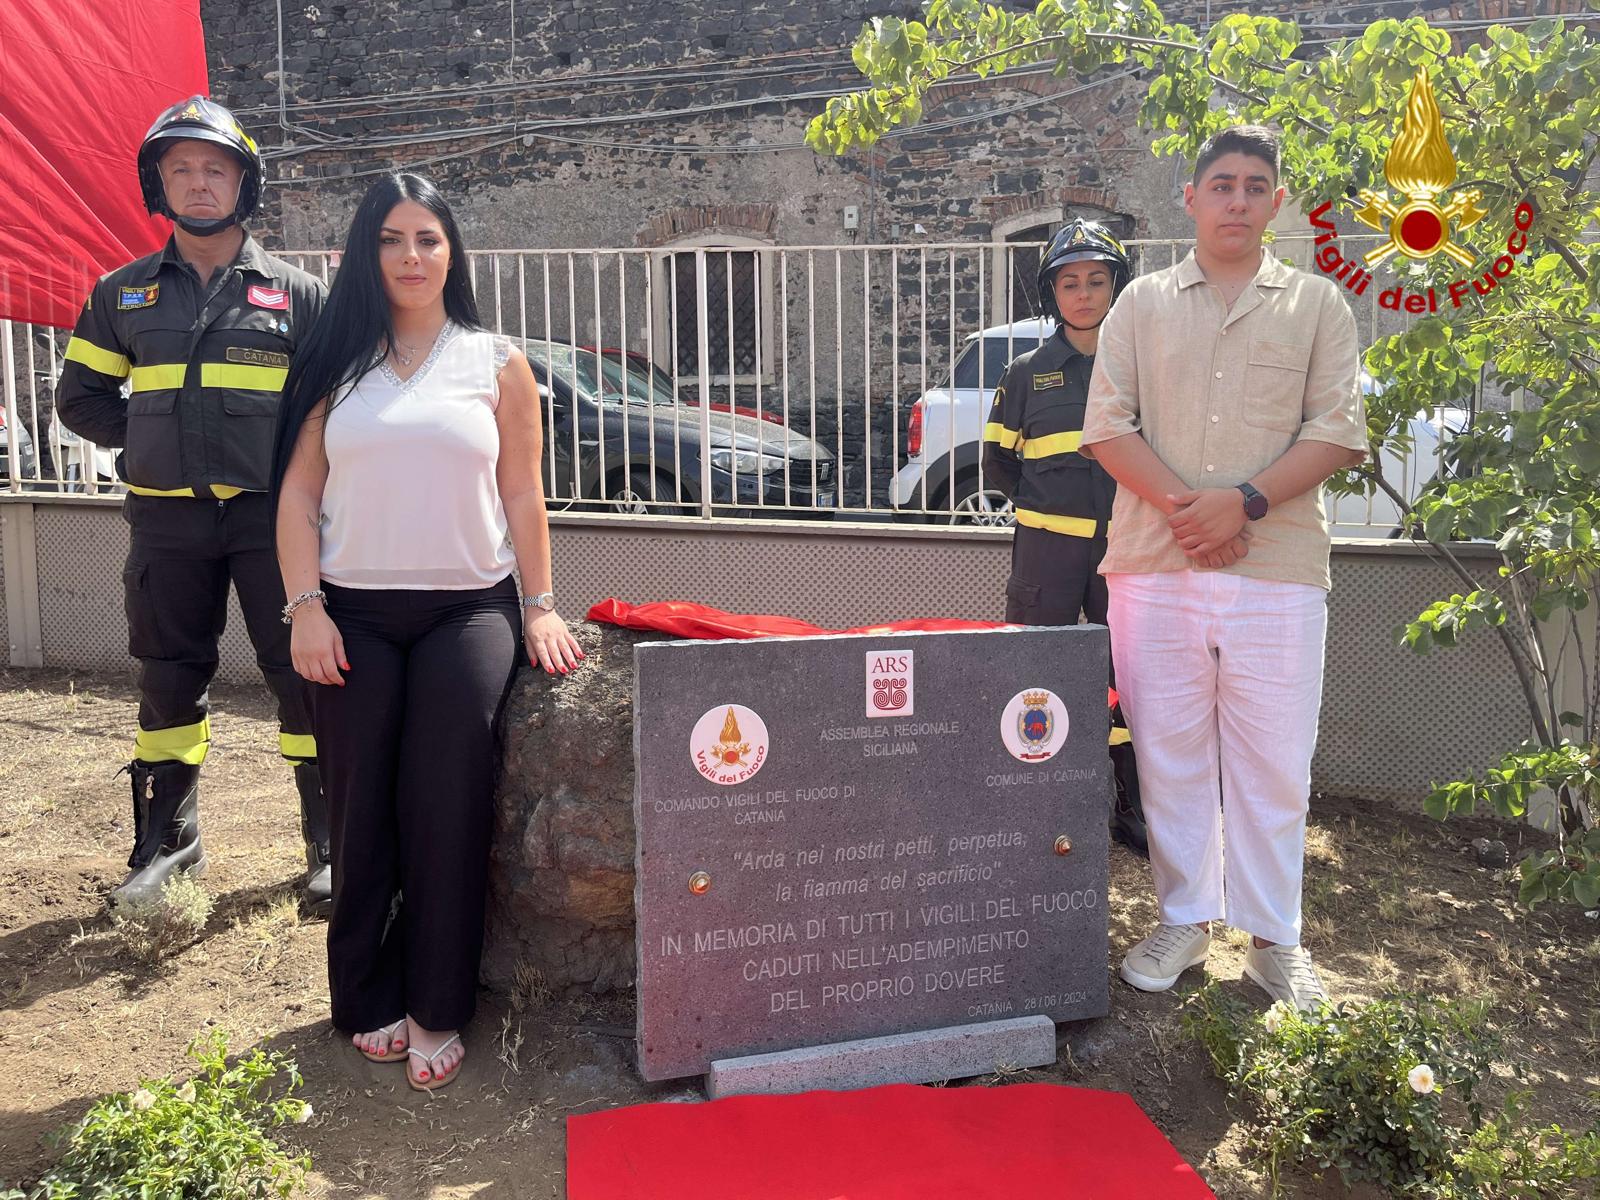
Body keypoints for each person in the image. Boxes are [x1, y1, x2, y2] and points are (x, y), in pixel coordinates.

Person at [272, 172, 583, 1092]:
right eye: (392, 240)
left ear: (453, 252)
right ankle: (364, 989)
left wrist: (539, 602)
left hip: (465, 611)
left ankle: (437, 1002)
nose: (412, 257)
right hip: (352, 611)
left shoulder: (496, 361)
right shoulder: (335, 359)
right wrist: (306, 606)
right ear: (366, 255)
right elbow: (297, 493)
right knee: (361, 805)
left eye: (429, 239)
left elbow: (521, 490)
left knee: (448, 799)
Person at [1079, 125, 1367, 1011]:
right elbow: (1107, 426)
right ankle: (1185, 919)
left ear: (1277, 202)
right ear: (1193, 199)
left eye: (1255, 185)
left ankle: (1277, 939)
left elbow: (1337, 432)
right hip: (1152, 567)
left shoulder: (1318, 306)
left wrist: (1238, 505)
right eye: (1222, 184)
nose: (1237, 199)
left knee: (1275, 758)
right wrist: (1189, 513)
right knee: (1168, 753)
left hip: (1276, 568)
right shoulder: (1141, 306)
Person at [56, 97, 331, 912]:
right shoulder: (122, 293)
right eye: (180, 168)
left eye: (215, 168)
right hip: (166, 523)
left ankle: (330, 845)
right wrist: (151, 449)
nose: (198, 183)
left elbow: (329, 412)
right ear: (157, 183)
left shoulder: (300, 295)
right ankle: (169, 843)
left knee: (303, 675)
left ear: (244, 183)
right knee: (168, 677)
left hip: (272, 522)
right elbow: (80, 399)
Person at [982, 219, 1148, 857]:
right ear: (1052, 293)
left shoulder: (1138, 368)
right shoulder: (1026, 372)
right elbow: (1000, 463)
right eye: (1070, 282)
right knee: (1035, 672)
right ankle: (1030, 799)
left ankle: (1130, 805)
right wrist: (1049, 513)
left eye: (1096, 281)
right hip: (1047, 552)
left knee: (1130, 680)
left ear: (1115, 286)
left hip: (1126, 554)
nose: (1083, 294)